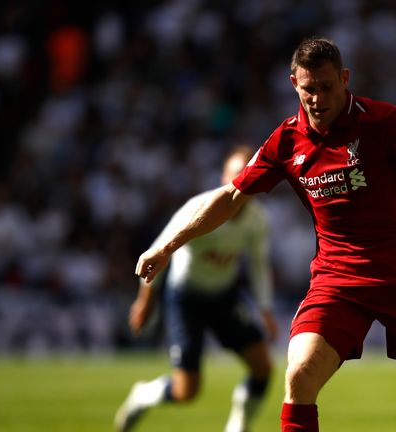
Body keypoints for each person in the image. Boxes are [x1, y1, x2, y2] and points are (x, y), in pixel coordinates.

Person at [134, 37, 396, 432]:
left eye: (327, 87)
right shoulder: (286, 140)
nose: (317, 97)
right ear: (294, 83)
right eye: (309, 88)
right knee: (299, 376)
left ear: (344, 79)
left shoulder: (381, 121)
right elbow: (231, 197)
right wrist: (169, 246)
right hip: (337, 281)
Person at [115, 146, 279, 432]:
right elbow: (157, 254)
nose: (241, 179)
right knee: (186, 391)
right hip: (186, 297)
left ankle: (238, 426)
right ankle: (143, 394)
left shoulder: (256, 220)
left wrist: (265, 309)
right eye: (235, 173)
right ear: (223, 177)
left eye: (247, 173)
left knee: (263, 367)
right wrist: (145, 302)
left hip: (224, 296)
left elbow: (258, 266)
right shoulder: (199, 209)